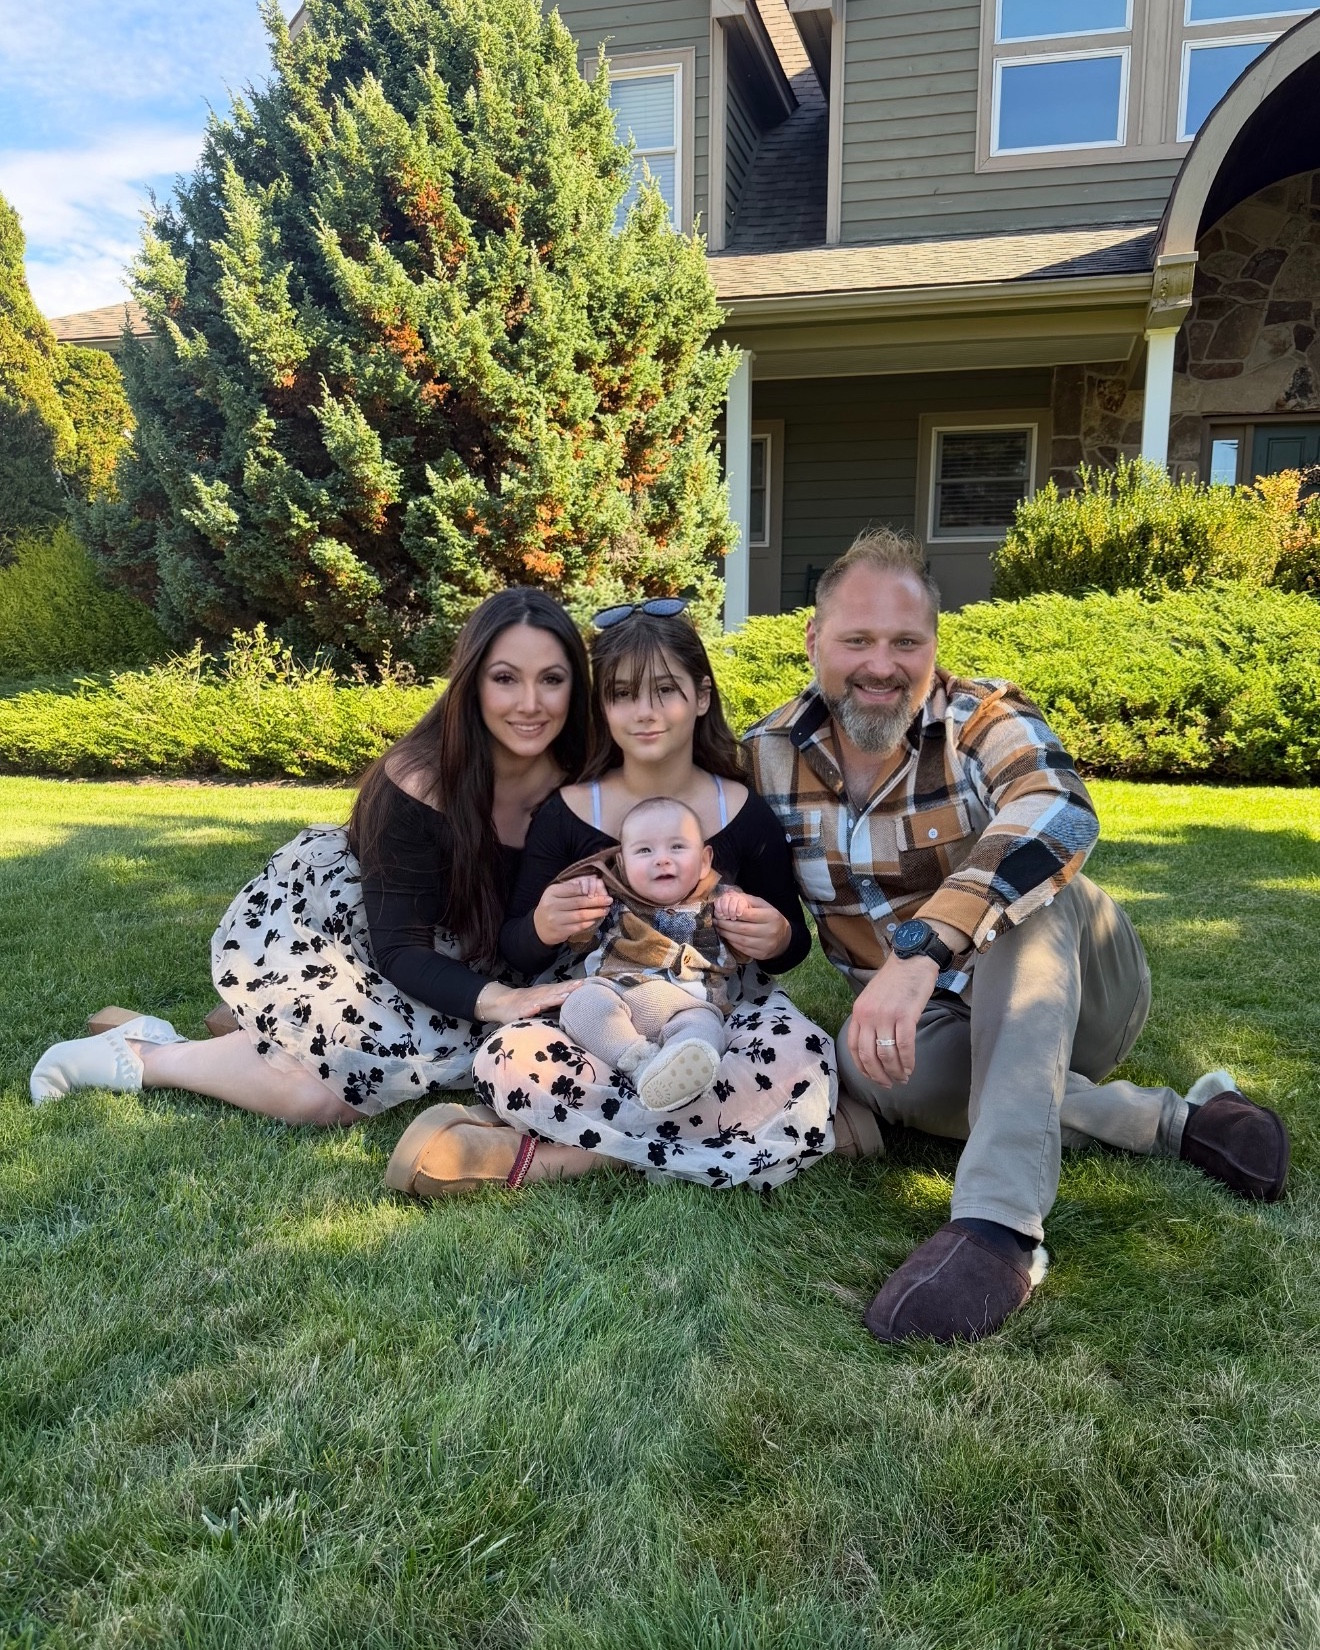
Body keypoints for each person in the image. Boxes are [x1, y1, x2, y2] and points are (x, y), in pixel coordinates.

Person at [746, 529, 1291, 1344]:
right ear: (813, 640)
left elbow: (1056, 808)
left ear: (935, 645)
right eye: (857, 640)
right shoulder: (765, 755)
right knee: (862, 1066)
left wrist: (922, 950)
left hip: (1080, 988)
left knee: (1022, 897)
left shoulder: (983, 716)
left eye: (906, 642)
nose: (881, 665)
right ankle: (1179, 1120)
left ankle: (999, 1231)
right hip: (931, 1028)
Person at [30, 589, 594, 1173]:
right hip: (361, 935)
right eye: (505, 678)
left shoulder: (586, 781)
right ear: (471, 682)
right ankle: (146, 1053)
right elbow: (402, 949)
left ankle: (262, 1038)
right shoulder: (420, 781)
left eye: (551, 680)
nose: (530, 704)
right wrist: (504, 1001)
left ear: (576, 687)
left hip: (490, 948)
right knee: (323, 1097)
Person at [386, 598, 836, 1196]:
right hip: (599, 1018)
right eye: (622, 694)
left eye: (665, 691)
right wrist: (542, 926)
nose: (644, 712)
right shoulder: (568, 811)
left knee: (799, 1053)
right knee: (509, 1058)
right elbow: (517, 948)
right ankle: (755, 1134)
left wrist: (775, 935)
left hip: (715, 1009)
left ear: (701, 697)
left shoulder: (742, 811)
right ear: (601, 706)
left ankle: (549, 1159)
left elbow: (792, 946)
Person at [554, 794, 748, 1112]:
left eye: (677, 847)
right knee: (581, 1003)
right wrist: (584, 901)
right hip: (619, 993)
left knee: (705, 1029)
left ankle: (680, 1064)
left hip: (688, 1004)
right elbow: (580, 941)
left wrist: (739, 910)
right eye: (645, 850)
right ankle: (641, 1064)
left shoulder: (719, 899)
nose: (662, 859)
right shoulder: (612, 897)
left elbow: (742, 951)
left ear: (704, 861)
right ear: (623, 864)